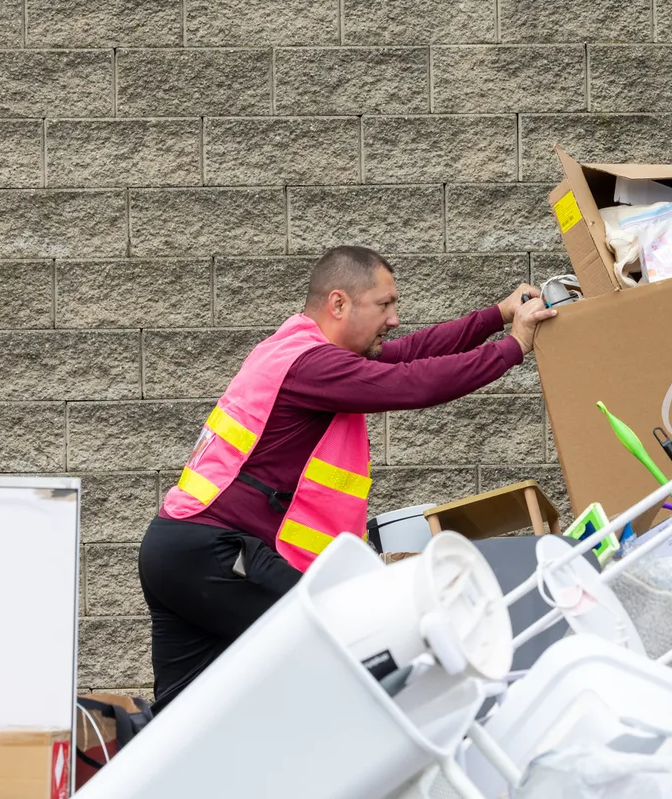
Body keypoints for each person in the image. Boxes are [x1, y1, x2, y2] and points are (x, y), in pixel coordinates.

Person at [137, 245, 557, 709]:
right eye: (384, 305)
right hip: (217, 556)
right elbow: (414, 383)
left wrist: (497, 315)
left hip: (174, 549)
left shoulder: (290, 351)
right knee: (345, 650)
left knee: (180, 714)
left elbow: (410, 354)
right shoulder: (312, 366)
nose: (394, 319)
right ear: (339, 304)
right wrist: (513, 347)